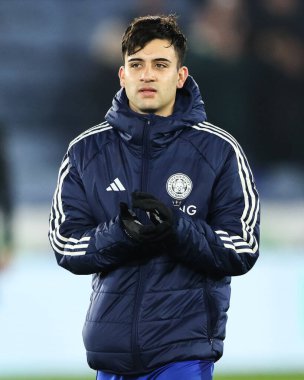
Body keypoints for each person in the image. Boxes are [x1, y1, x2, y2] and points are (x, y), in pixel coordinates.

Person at [49, 14, 260, 380]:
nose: (147, 75)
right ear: (122, 75)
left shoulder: (220, 150)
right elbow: (65, 243)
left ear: (180, 76)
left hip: (182, 354)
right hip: (109, 355)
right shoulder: (85, 151)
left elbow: (242, 247)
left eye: (160, 65)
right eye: (137, 64)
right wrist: (121, 234)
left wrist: (176, 228)